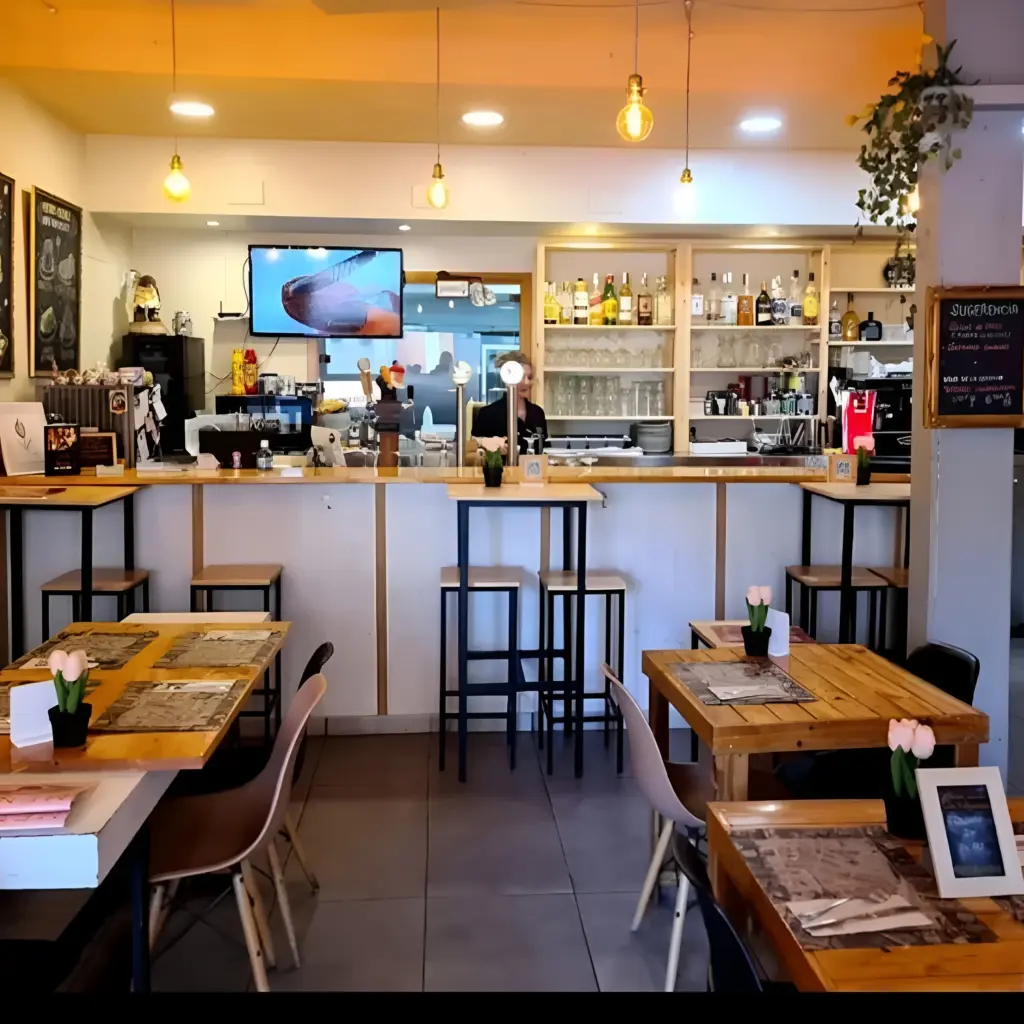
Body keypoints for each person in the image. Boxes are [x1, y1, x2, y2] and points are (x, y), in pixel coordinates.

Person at [471, 350, 547, 455]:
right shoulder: (488, 414)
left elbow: (545, 451)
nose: (527, 382)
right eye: (521, 377)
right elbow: (474, 451)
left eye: (529, 377)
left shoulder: (538, 413)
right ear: (507, 379)